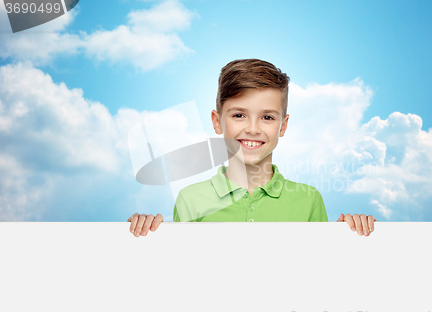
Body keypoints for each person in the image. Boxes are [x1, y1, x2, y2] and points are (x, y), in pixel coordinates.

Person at [128, 59, 376, 236]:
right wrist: (143, 234)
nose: (253, 129)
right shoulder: (191, 200)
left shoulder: (308, 200)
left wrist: (353, 232)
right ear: (217, 122)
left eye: (267, 117)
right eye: (239, 115)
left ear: (283, 125)